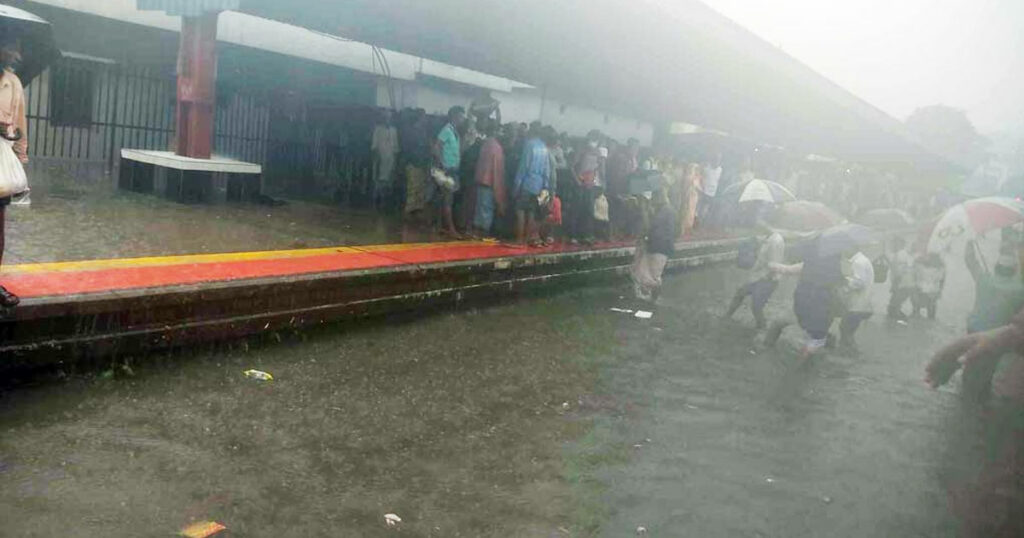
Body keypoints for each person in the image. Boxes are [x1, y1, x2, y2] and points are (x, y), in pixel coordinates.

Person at [766, 237, 845, 358]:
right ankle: (827, 350)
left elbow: (788, 270)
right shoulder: (836, 268)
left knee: (777, 323)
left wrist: (772, 265)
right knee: (817, 334)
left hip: (807, 305)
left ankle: (767, 346)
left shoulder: (810, 264)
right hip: (826, 310)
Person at [0, 45, 28, 307]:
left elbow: (19, 122)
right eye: (10, 48)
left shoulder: (13, 82)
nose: (15, 55)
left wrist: (20, 152)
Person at [726, 228, 785, 329]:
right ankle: (727, 316)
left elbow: (775, 264)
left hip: (768, 279)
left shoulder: (775, 241)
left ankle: (762, 328)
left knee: (756, 307)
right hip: (758, 276)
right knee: (740, 292)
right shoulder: (768, 238)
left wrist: (767, 279)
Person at [631, 189, 676, 302]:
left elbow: (652, 226)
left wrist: (646, 213)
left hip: (660, 246)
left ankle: (653, 297)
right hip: (658, 245)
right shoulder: (662, 210)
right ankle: (651, 296)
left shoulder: (665, 211)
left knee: (654, 274)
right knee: (649, 272)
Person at [511, 123, 551, 247]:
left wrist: (516, 186)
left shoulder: (529, 145)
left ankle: (519, 239)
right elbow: (547, 170)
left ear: (532, 131)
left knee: (520, 211)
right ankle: (526, 240)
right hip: (538, 185)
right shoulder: (544, 147)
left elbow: (523, 167)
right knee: (531, 212)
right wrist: (545, 186)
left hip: (527, 183)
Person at [432, 106, 466, 237]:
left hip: (452, 169)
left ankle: (440, 226)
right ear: (455, 116)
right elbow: (436, 147)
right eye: (461, 116)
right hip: (447, 170)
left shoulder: (454, 131)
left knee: (445, 199)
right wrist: (442, 165)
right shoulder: (446, 130)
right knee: (448, 199)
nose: (463, 119)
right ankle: (451, 229)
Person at [469, 120, 506, 237]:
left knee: (479, 209)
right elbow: (497, 170)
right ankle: (483, 234)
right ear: (495, 131)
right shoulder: (497, 147)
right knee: (486, 210)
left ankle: (476, 232)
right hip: (489, 183)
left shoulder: (485, 144)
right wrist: (499, 191)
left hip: (480, 181)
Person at [839, 249, 875, 353]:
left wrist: (845, 281)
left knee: (846, 328)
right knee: (847, 328)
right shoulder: (862, 260)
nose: (843, 253)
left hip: (857, 303)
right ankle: (847, 350)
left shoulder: (858, 262)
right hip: (861, 302)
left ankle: (851, 351)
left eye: (845, 250)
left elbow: (859, 283)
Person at [572, 130, 604, 245]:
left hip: (591, 184)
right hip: (580, 183)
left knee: (589, 210)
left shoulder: (598, 152)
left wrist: (598, 181)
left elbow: (599, 168)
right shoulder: (581, 150)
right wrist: (577, 180)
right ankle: (574, 235)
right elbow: (572, 166)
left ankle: (586, 235)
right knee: (578, 209)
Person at [370, 109, 399, 211]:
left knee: (388, 183)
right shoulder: (377, 129)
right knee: (378, 183)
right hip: (380, 160)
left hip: (390, 160)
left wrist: (394, 163)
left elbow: (396, 148)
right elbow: (374, 147)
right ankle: (375, 204)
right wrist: (377, 161)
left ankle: (384, 204)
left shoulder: (394, 130)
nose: (388, 120)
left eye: (389, 118)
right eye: (386, 118)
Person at [886, 237, 915, 321]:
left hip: (901, 279)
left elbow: (897, 268)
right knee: (898, 295)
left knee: (898, 295)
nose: (891, 246)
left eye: (893, 244)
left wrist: (896, 279)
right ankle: (895, 310)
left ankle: (894, 310)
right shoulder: (901, 254)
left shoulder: (900, 254)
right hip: (902, 279)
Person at [912, 252, 946, 320]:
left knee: (918, 303)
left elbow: (915, 275)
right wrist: (940, 290)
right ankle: (930, 318)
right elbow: (942, 280)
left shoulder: (920, 266)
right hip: (933, 290)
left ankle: (916, 314)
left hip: (921, 289)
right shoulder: (941, 268)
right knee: (932, 306)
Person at [698, 153, 722, 226]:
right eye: (716, 160)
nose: (717, 162)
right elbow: (700, 177)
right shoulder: (706, 168)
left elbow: (718, 180)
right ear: (713, 160)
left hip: (713, 193)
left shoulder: (720, 169)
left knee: (708, 210)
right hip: (704, 192)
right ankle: (698, 222)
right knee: (701, 209)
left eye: (719, 160)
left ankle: (704, 223)